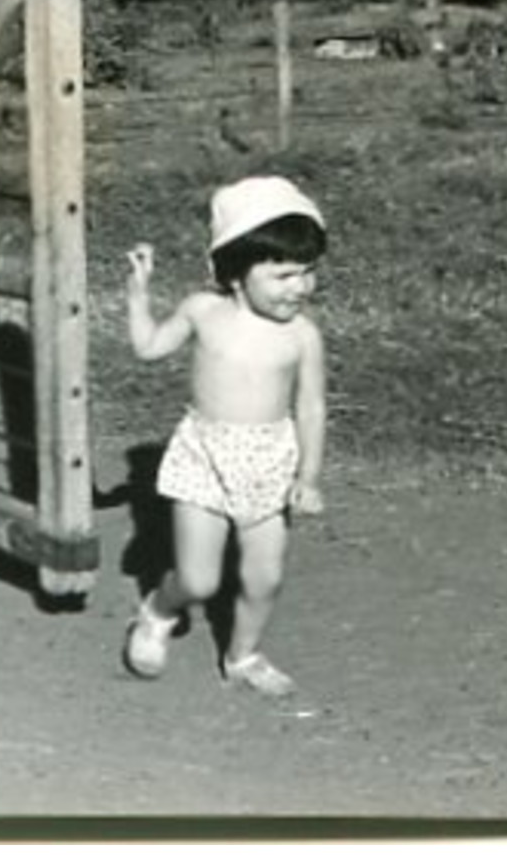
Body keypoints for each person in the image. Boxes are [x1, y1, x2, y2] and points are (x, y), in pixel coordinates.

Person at [123, 175, 327, 697]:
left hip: (268, 462)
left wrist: (308, 477)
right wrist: (138, 293)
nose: (299, 287)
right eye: (283, 275)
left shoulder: (302, 335)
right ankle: (158, 610)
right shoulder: (202, 311)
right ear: (236, 273)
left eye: (307, 273)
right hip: (205, 457)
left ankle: (243, 655)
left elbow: (310, 405)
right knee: (199, 581)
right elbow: (148, 348)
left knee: (264, 578)